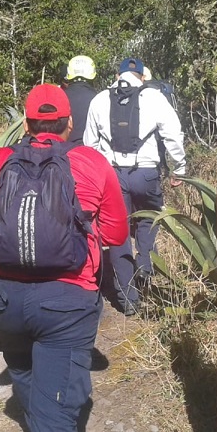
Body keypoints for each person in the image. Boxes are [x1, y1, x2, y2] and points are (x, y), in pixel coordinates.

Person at [0, 84, 128, 430]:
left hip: (3, 300)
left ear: (25, 124)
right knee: (56, 415)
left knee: (26, 378)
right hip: (66, 304)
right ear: (69, 124)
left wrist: (17, 234)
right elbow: (116, 234)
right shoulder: (93, 164)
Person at [83, 57, 187, 315]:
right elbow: (173, 134)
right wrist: (179, 168)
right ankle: (146, 270)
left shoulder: (99, 100)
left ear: (117, 76)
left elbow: (89, 144)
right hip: (147, 173)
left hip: (113, 175)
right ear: (142, 76)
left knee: (118, 234)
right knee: (148, 220)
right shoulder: (153, 97)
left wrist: (98, 176)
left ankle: (128, 298)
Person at [63, 55, 99, 144]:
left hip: (61, 154)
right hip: (89, 154)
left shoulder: (59, 97)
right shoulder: (99, 99)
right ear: (93, 75)